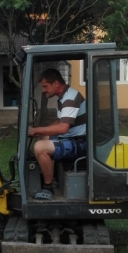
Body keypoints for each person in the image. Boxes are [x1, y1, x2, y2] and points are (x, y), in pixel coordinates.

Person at [27, 68, 86, 200]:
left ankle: (48, 188)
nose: (43, 90)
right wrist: (41, 131)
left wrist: (36, 130)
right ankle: (48, 175)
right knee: (42, 138)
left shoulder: (70, 98)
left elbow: (63, 128)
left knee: (40, 148)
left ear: (55, 83)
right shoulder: (65, 96)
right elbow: (60, 121)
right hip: (73, 137)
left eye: (45, 86)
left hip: (80, 143)